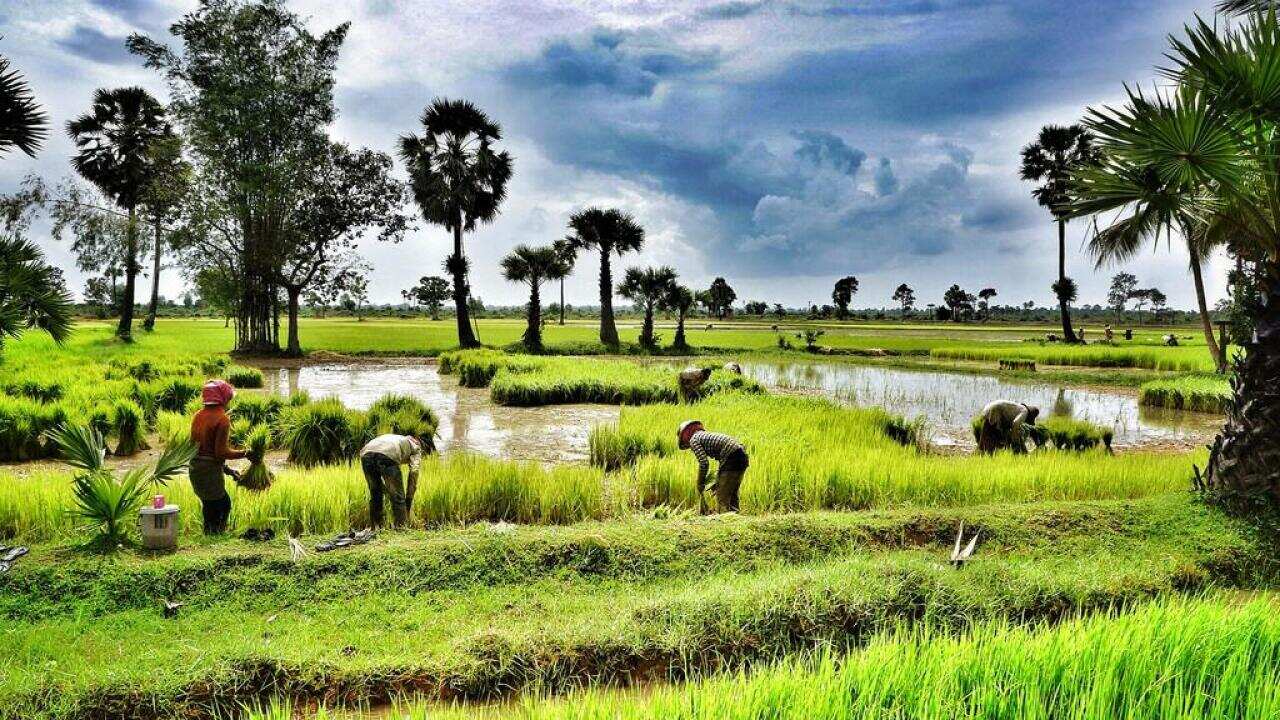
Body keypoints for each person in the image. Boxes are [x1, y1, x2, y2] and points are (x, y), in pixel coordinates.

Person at [188, 379, 247, 534]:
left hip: (195, 468)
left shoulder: (198, 416)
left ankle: (210, 535)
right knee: (222, 504)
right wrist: (246, 453)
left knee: (210, 505)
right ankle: (216, 536)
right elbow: (220, 453)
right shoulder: (222, 419)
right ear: (223, 398)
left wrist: (228, 471)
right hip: (209, 471)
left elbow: (203, 451)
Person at [677, 420, 749, 513]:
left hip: (731, 457)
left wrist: (700, 482)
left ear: (685, 436)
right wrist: (718, 481)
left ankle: (725, 522)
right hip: (741, 455)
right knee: (732, 494)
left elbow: (704, 463)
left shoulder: (694, 439)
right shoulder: (703, 435)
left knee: (722, 497)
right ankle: (735, 520)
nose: (689, 447)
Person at [359, 433, 425, 529]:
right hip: (388, 455)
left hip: (366, 454)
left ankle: (376, 528)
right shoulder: (416, 447)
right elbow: (414, 472)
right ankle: (401, 528)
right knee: (398, 497)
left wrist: (387, 491)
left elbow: (381, 486)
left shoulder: (396, 438)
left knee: (375, 494)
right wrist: (408, 500)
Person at [975, 400, 1040, 454]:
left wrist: (1024, 450)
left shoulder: (1019, 408)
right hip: (995, 411)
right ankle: (987, 453)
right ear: (1030, 415)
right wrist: (1016, 445)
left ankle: (982, 452)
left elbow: (1016, 430)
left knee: (987, 432)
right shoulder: (1025, 412)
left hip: (989, 407)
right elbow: (1015, 424)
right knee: (994, 436)